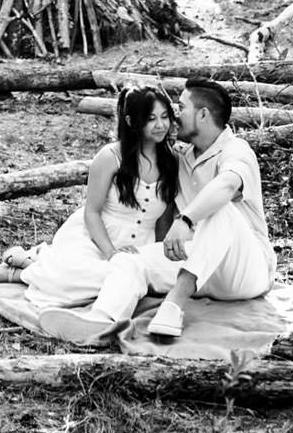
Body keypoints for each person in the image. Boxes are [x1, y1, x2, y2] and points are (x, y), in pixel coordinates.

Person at [37, 77, 277, 346]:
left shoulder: (237, 151)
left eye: (181, 108)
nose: (174, 117)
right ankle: (102, 322)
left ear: (203, 114)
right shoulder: (181, 157)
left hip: (245, 271)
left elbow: (226, 185)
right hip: (198, 264)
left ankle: (174, 304)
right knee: (130, 260)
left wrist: (185, 220)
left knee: (220, 209)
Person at [0, 86, 180, 299]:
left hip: (140, 246)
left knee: (150, 279)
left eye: (164, 117)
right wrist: (112, 253)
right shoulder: (110, 157)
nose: (160, 125)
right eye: (151, 119)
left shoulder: (173, 161)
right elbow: (92, 213)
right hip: (99, 239)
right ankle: (18, 272)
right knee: (91, 278)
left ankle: (37, 262)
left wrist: (157, 255)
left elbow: (164, 219)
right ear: (131, 121)